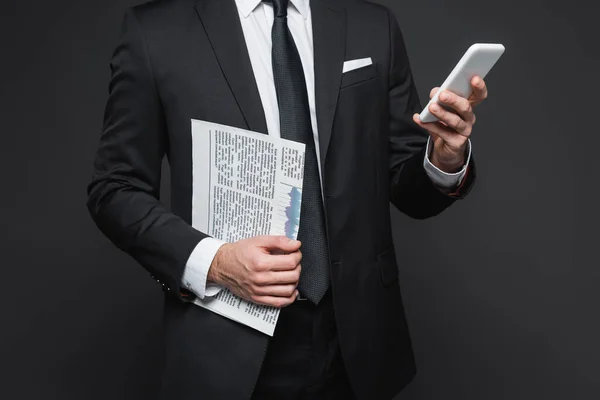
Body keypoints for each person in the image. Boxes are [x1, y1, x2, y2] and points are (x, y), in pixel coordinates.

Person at [87, 0, 487, 398]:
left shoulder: (371, 23)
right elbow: (115, 189)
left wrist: (443, 158)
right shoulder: (155, 31)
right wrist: (216, 263)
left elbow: (408, 187)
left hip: (358, 345)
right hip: (227, 347)